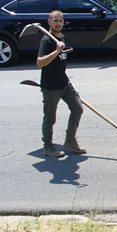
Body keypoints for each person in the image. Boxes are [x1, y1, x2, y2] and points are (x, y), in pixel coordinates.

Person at [36, 10, 86, 158]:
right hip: (51, 87)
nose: (58, 23)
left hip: (64, 83)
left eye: (60, 21)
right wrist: (57, 51)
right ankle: (48, 146)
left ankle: (70, 141)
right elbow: (40, 63)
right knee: (50, 118)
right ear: (49, 22)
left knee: (78, 108)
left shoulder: (61, 38)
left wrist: (62, 50)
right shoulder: (46, 41)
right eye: (55, 20)